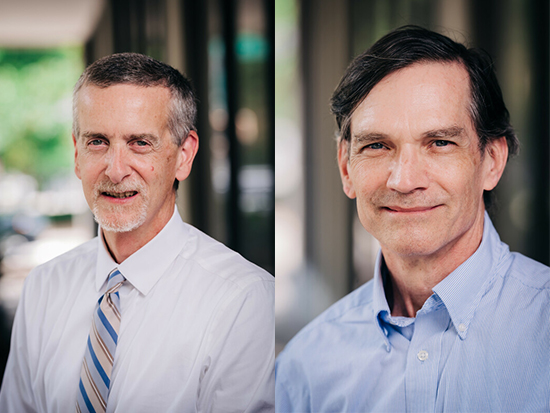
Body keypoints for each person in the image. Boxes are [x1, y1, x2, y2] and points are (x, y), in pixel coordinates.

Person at [275, 26, 549, 412]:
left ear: (492, 161)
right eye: (376, 145)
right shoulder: (302, 369)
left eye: (439, 143)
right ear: (346, 169)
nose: (404, 180)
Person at [0, 53, 274, 412]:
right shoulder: (43, 287)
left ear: (183, 155)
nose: (115, 170)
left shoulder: (245, 302)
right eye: (97, 141)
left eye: (139, 143)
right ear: (77, 154)